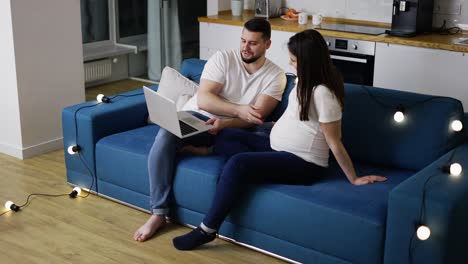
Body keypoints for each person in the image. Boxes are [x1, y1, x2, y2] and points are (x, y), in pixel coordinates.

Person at [171, 29, 387, 250]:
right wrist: (274, 126)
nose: (292, 65)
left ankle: (207, 230)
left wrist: (354, 178)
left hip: (304, 163)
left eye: (295, 61)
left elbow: (334, 141)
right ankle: (211, 152)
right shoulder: (303, 82)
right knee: (227, 134)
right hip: (277, 147)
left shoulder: (324, 93)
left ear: (309, 62)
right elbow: (295, 116)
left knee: (237, 164)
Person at [133, 18, 287, 242]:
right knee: (166, 132)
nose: (245, 47)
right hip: (198, 117)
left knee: (247, 142)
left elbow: (255, 118)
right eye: (243, 40)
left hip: (232, 129)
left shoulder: (276, 76)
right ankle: (158, 213)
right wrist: (238, 109)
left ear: (267, 44)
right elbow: (204, 100)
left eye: (253, 43)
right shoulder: (223, 58)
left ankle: (203, 149)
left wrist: (228, 121)